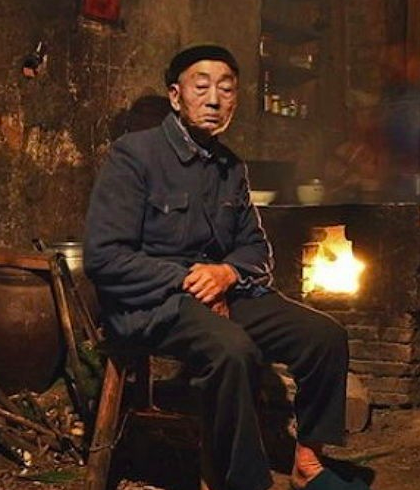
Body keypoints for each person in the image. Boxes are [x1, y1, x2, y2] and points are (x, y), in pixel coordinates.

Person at [83, 45, 367, 490]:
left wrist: (228, 274)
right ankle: (244, 483)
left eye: (226, 89)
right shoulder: (134, 155)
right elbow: (104, 257)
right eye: (201, 87)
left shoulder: (230, 167)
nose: (214, 99)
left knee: (324, 335)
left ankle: (308, 465)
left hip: (223, 294)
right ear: (176, 96)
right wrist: (190, 280)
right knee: (233, 350)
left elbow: (255, 249)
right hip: (154, 303)